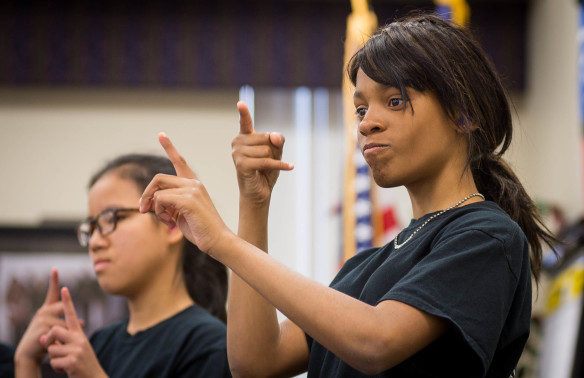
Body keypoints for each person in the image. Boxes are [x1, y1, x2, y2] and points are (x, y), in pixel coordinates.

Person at [140, 13, 557, 378]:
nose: (367, 123)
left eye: (394, 101)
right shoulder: (365, 267)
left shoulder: (485, 236)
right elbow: (256, 363)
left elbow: (376, 342)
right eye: (361, 109)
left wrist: (223, 242)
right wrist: (253, 205)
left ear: (464, 113)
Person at [14, 154, 231, 378]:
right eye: (92, 226)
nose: (96, 242)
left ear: (172, 223)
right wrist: (26, 363)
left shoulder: (207, 345)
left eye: (112, 217)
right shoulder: (100, 344)